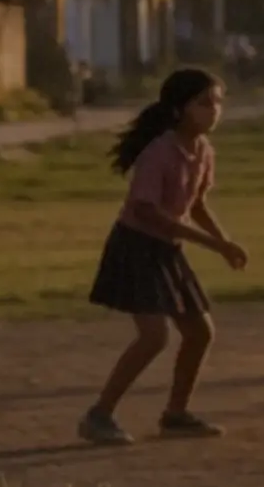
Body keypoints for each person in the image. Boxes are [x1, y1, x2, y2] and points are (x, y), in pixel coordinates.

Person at [79, 68, 246, 446]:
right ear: (178, 109)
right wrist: (213, 245)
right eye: (204, 103)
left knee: (200, 332)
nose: (214, 110)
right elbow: (147, 213)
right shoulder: (160, 151)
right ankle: (98, 415)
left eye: (218, 102)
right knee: (154, 336)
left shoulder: (203, 151)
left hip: (166, 249)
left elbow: (197, 203)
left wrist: (225, 242)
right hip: (136, 246)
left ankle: (175, 414)